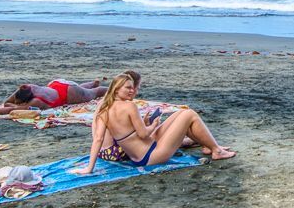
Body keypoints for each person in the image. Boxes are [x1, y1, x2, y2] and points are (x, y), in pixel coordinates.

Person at [70, 72, 235, 174]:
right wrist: (154, 124)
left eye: (133, 88)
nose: (132, 91)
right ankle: (216, 150)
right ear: (116, 89)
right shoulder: (129, 106)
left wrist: (89, 168)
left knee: (180, 114)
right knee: (189, 114)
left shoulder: (105, 108)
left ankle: (210, 146)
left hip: (141, 155)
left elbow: (97, 140)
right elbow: (143, 134)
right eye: (127, 88)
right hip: (151, 155)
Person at [0, 79, 105, 115]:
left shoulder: (37, 101)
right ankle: (92, 83)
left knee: (95, 93)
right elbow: (7, 103)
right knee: (83, 90)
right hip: (57, 84)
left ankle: (115, 88)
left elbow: (10, 109)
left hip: (67, 93)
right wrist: (16, 103)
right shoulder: (27, 87)